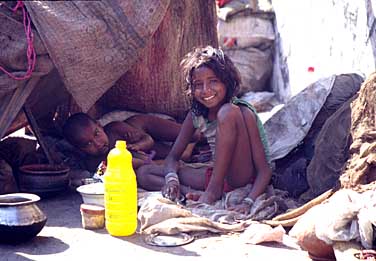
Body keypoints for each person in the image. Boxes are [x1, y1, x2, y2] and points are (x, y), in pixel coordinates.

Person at [136, 45, 272, 213]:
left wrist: (249, 201)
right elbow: (173, 157)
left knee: (227, 112)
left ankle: (212, 192)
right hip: (217, 175)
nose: (205, 90)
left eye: (213, 81)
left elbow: (264, 170)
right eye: (198, 84)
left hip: (240, 177)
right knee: (144, 173)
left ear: (227, 82)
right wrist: (172, 180)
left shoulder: (242, 112)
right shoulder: (197, 115)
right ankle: (192, 194)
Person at [62, 113, 200, 172]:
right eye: (88, 144)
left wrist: (138, 145)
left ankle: (193, 122)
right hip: (148, 153)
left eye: (97, 134)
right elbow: (100, 174)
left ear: (99, 125)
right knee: (182, 156)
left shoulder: (114, 129)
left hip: (145, 127)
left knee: (195, 134)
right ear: (79, 149)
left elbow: (148, 140)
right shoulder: (93, 163)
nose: (97, 144)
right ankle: (189, 144)